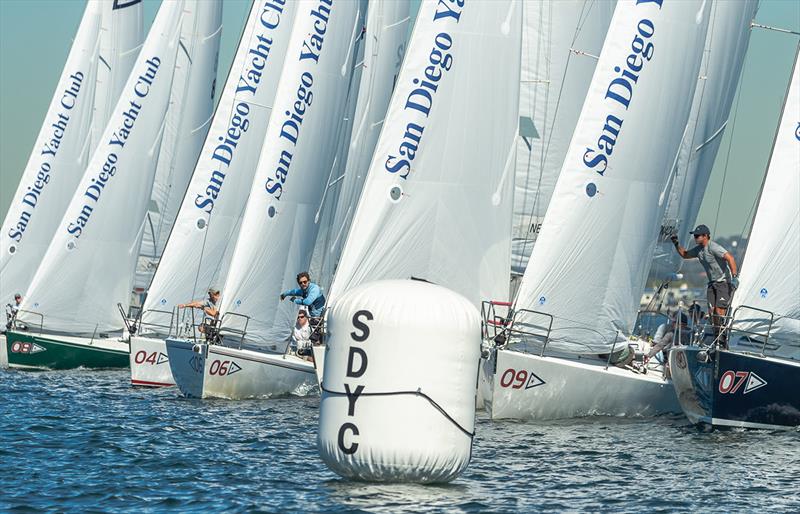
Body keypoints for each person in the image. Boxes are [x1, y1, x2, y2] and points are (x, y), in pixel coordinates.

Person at [671, 224, 738, 346]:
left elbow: (730, 258)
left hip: (723, 282)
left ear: (705, 236)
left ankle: (722, 338)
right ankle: (718, 337)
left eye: (697, 236)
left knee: (719, 310)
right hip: (712, 284)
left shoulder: (713, 247)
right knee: (712, 312)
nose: (695, 238)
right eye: (694, 236)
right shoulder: (698, 250)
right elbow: (685, 255)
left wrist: (734, 277)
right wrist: (676, 244)